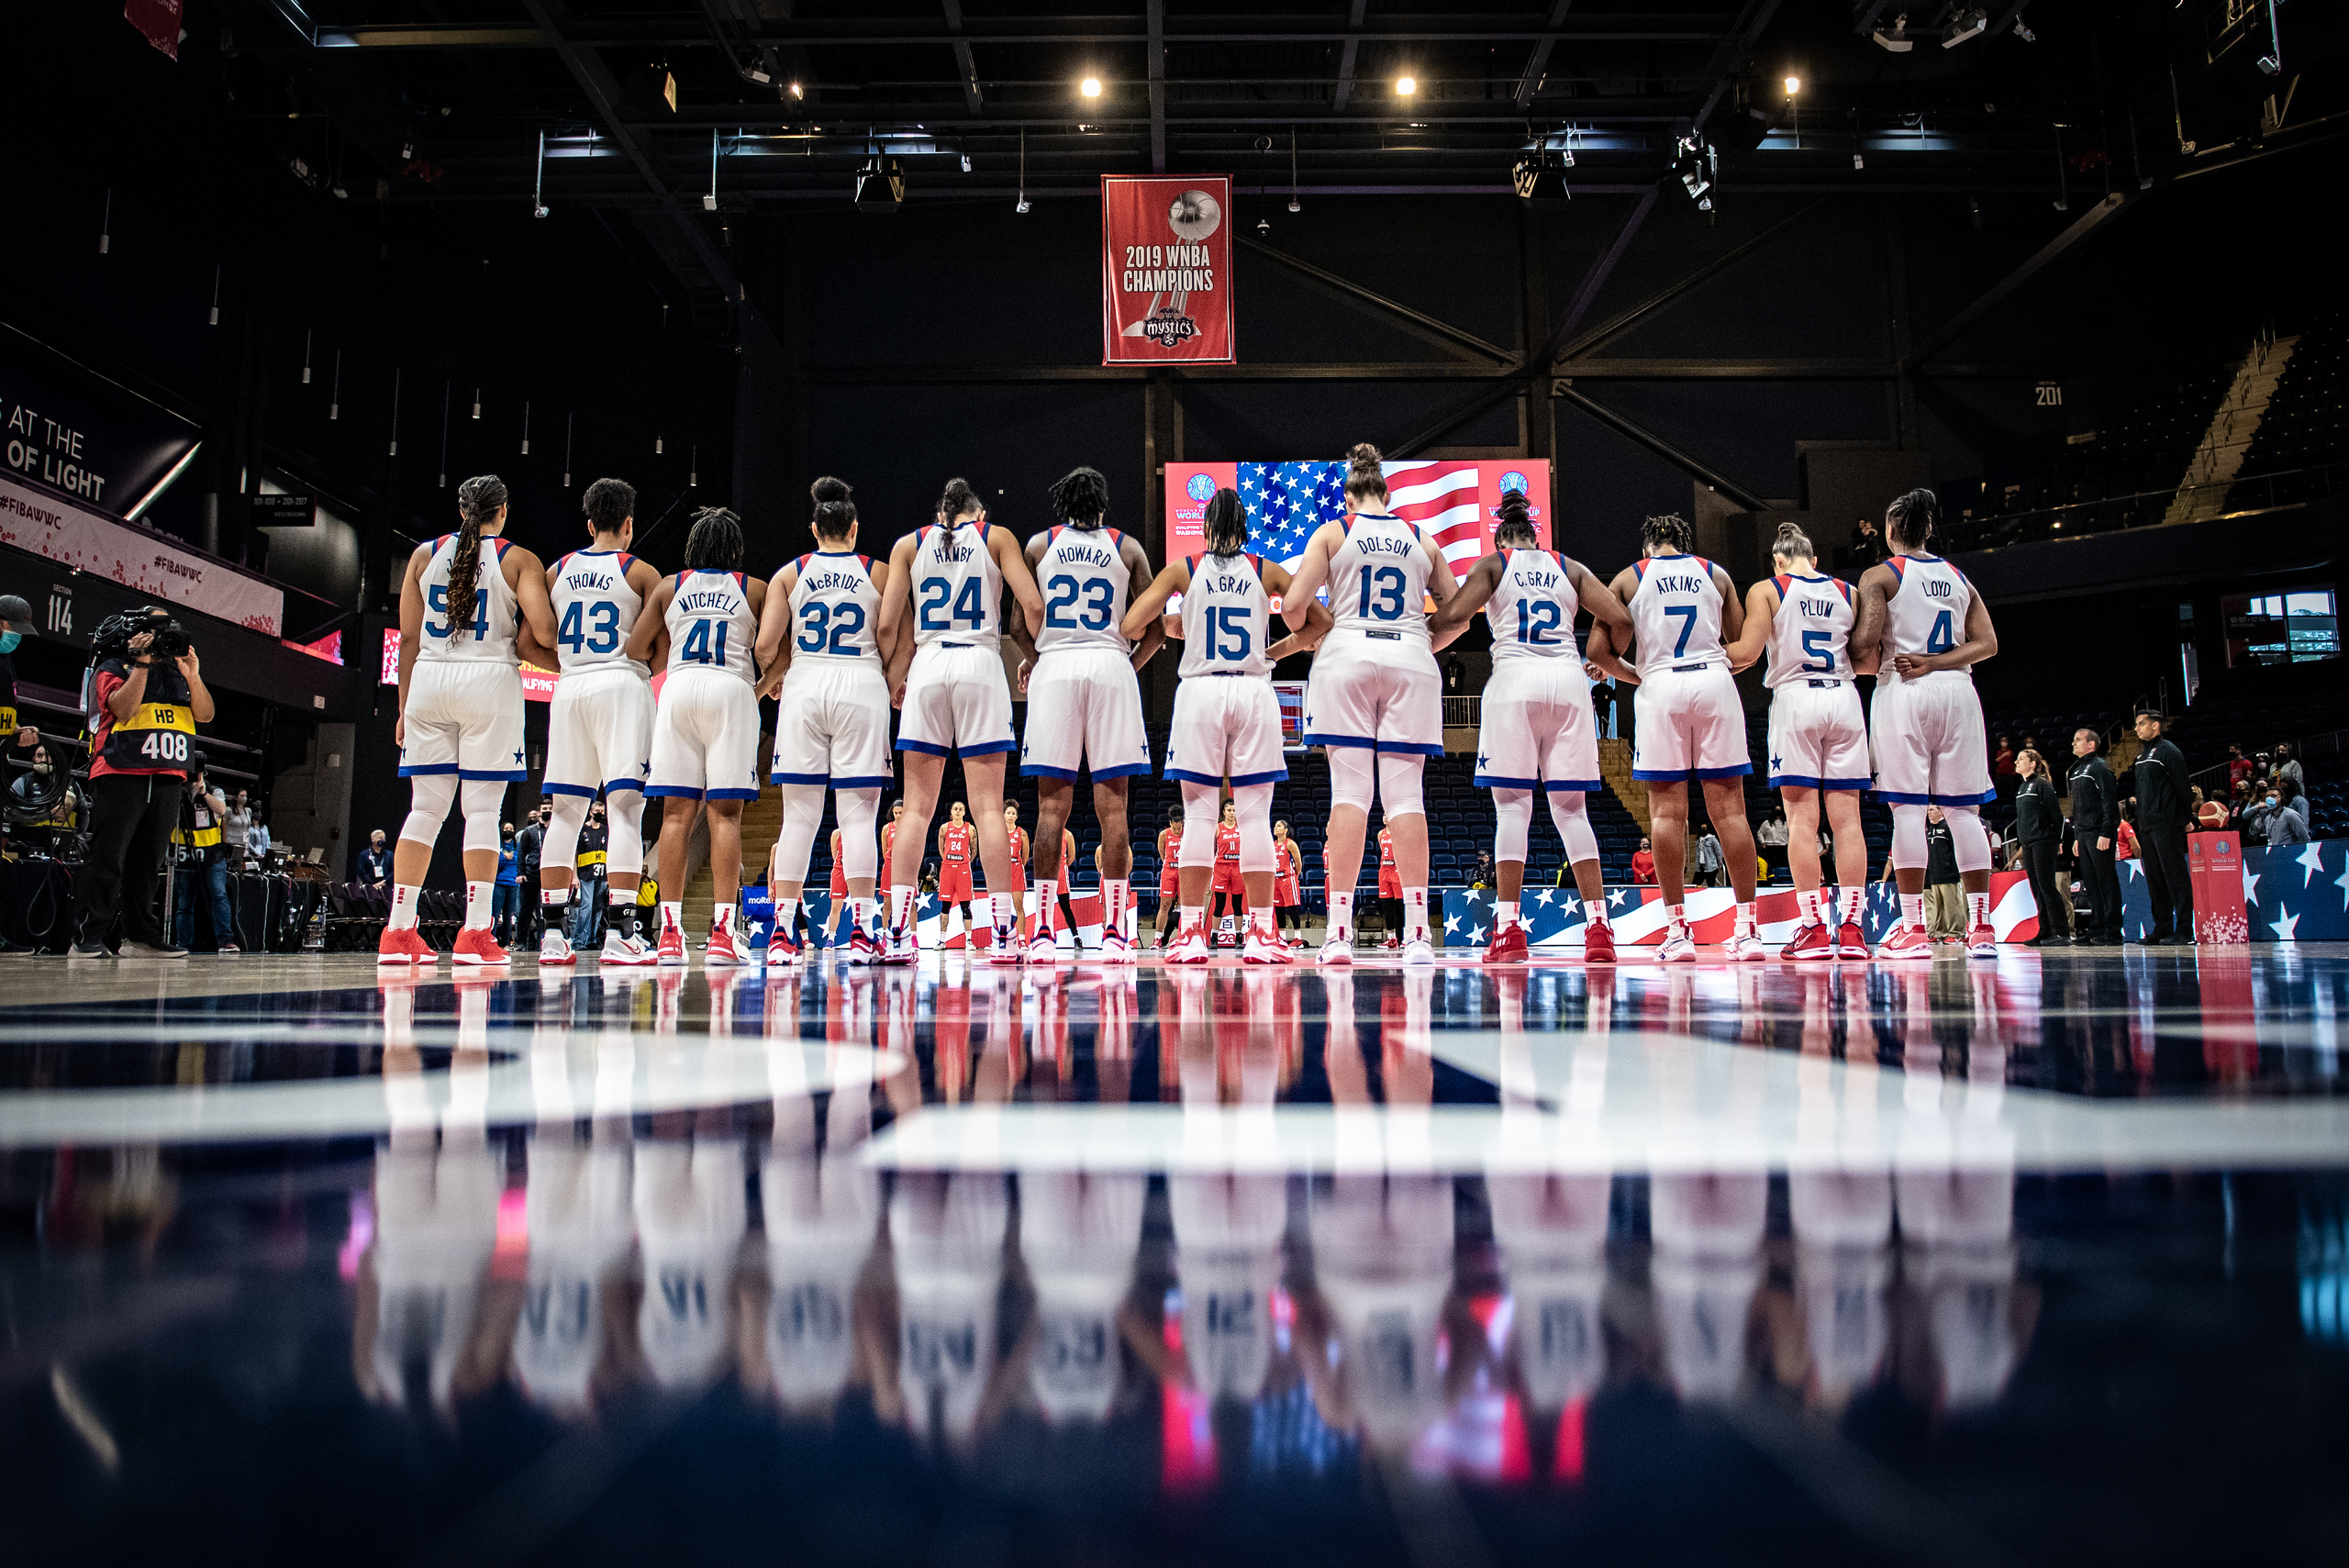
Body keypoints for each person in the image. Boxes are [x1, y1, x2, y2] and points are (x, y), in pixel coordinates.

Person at [1426, 487, 1633, 964]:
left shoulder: (1495, 565)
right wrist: (1602, 659)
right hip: (1567, 681)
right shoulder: (1570, 567)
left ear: (1502, 537)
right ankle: (1599, 929)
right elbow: (1620, 619)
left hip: (1515, 681)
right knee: (1572, 812)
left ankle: (1507, 931)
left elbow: (1455, 617)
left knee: (1514, 811)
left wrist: (1417, 644)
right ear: (1536, 539)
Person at [1123, 484, 1325, 965]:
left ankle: (1191, 933)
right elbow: (1317, 623)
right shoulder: (1265, 569)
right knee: (1255, 816)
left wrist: (1181, 624)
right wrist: (1272, 652)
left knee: (1198, 816)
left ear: (1208, 527)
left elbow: (1133, 624)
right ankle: (1261, 934)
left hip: (1200, 691)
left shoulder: (1184, 570)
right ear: (1245, 529)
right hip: (1254, 690)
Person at [1282, 442, 1461, 964]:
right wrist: (1419, 641)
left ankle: (1337, 933)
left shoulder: (1334, 532)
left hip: (1347, 657)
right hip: (1410, 658)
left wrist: (1317, 633)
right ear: (1387, 492)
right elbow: (1459, 615)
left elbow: (1294, 608)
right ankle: (1419, 937)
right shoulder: (1420, 538)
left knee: (1350, 796)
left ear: (1348, 495)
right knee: (1406, 799)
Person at [379, 475, 557, 967]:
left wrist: (403, 709)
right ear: (502, 511)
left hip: (430, 682)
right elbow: (542, 631)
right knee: (480, 813)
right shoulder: (518, 559)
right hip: (489, 682)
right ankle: (476, 932)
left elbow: (408, 641)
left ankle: (397, 931)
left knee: (424, 811)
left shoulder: (422, 555)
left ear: (462, 511)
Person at [878, 476, 1046, 964]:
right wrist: (1037, 656)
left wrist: (893, 676)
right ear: (978, 514)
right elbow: (1032, 605)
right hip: (979, 663)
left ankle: (896, 935)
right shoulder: (995, 537)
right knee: (989, 808)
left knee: (915, 810)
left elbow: (889, 625)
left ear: (939, 516)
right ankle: (1003, 933)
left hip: (928, 665)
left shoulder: (908, 545)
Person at [1586, 513, 1762, 962]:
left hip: (1660, 684)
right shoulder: (1714, 573)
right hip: (1713, 682)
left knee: (1666, 813)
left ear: (1648, 547)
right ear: (1686, 543)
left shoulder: (1630, 576)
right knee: (1730, 810)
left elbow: (1597, 652)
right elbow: (1739, 643)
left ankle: (1678, 934)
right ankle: (1748, 930)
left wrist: (1635, 675)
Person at [1017, 467, 1163, 964]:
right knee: (1114, 809)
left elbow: (1018, 623)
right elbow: (1157, 629)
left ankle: (1039, 929)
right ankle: (1119, 931)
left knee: (1051, 808)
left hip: (1056, 666)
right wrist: (1128, 664)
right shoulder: (1127, 548)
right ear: (1103, 503)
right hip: (1109, 666)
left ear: (1065, 503)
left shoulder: (1039, 545)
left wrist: (1036, 660)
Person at [1848, 488, 2000, 961]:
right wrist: (1938, 663)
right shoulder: (1959, 577)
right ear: (1930, 530)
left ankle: (1913, 929)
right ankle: (1982, 928)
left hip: (1904, 688)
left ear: (1891, 531)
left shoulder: (1881, 574)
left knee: (1909, 810)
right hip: (1957, 690)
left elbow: (1866, 643)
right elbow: (1988, 644)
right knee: (1963, 813)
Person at [753, 476, 897, 966]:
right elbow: (891, 633)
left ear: (814, 528)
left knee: (798, 818)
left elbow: (765, 646)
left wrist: (775, 677)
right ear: (853, 529)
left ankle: (780, 933)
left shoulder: (790, 575)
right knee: (858, 816)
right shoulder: (876, 572)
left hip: (806, 684)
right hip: (860, 683)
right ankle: (862, 929)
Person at [1721, 522, 1875, 961]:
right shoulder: (1850, 592)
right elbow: (1867, 659)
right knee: (1848, 822)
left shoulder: (1768, 589)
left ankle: (1810, 928)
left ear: (1778, 561)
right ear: (1815, 558)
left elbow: (1748, 652)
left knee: (1802, 821)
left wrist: (1698, 660)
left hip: (1796, 698)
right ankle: (1852, 928)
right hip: (1845, 698)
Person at [628, 506, 767, 968]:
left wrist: (671, 666)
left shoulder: (671, 586)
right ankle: (724, 935)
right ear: (733, 549)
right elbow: (776, 652)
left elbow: (635, 646)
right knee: (725, 817)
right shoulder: (754, 588)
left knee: (674, 816)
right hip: (731, 688)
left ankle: (669, 934)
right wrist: (758, 688)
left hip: (681, 688)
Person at [539, 476, 662, 965]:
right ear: (629, 525)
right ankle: (622, 934)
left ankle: (552, 937)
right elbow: (662, 651)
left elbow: (533, 641)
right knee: (626, 810)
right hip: (621, 686)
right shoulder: (642, 573)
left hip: (570, 688)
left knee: (565, 813)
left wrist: (571, 667)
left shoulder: (557, 570)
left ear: (589, 523)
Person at [2121, 709, 2193, 945]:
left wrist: (2187, 818)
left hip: (2167, 822)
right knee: (2155, 879)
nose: (2137, 728)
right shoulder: (2142, 757)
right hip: (2147, 825)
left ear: (2155, 726)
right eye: (2137, 724)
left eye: (2142, 723)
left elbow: (2182, 786)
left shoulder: (2169, 751)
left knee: (2175, 877)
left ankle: (2184, 930)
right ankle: (2161, 928)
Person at [171, 760, 236, 953]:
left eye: (196, 776)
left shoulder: (214, 791)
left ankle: (225, 939)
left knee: (219, 895)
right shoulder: (177, 792)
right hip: (186, 856)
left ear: (202, 775)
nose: (193, 780)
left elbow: (222, 810)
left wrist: (203, 793)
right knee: (184, 903)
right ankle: (184, 943)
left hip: (212, 855)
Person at [2068, 728, 2121, 946]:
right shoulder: (2077, 770)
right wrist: (2077, 836)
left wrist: (2106, 832)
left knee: (2106, 882)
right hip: (2084, 833)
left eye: (2078, 740)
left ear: (2091, 744)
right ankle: (2097, 927)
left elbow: (2109, 802)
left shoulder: (2099, 767)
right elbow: (2079, 809)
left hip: (2100, 832)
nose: (2073, 743)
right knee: (2091, 883)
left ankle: (2113, 931)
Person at [2013, 749, 2070, 946]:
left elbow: (2056, 815)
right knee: (2036, 888)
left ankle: (2062, 932)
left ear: (2033, 764)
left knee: (2047, 886)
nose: (2016, 762)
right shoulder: (2021, 789)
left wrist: (2060, 841)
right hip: (2028, 843)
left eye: (2021, 759)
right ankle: (2044, 931)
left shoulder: (2042, 785)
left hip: (2044, 841)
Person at [934, 802, 978, 936]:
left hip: (963, 869)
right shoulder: (944, 827)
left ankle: (969, 940)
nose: (958, 811)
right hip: (947, 869)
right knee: (945, 906)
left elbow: (974, 850)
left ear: (964, 812)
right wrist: (949, 860)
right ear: (951, 812)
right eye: (955, 809)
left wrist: (964, 862)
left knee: (965, 906)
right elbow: (941, 848)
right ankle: (942, 939)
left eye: (961, 809)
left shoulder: (970, 828)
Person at [1209, 799, 1248, 951]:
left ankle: (1239, 937)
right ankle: (1214, 937)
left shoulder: (1242, 828)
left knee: (1237, 904)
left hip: (1238, 868)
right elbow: (1211, 849)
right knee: (1219, 904)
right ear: (1224, 812)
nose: (1232, 813)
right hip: (1221, 868)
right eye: (1229, 810)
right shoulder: (1218, 828)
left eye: (1234, 810)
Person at [1923, 806, 1965, 942]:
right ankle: (1939, 932)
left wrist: (1954, 870)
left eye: (1932, 810)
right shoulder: (1929, 830)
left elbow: (1955, 850)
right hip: (1934, 875)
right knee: (1938, 907)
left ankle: (1955, 932)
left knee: (1951, 906)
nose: (1929, 812)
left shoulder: (1947, 827)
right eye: (1928, 810)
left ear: (1941, 812)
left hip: (1948, 874)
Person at [513, 807, 544, 945]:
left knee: (543, 913)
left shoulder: (554, 831)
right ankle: (520, 942)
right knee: (525, 911)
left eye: (550, 808)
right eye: (544, 809)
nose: (547, 811)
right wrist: (520, 873)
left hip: (547, 876)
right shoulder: (529, 832)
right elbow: (521, 853)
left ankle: (542, 942)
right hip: (530, 875)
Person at [1273, 819, 1307, 946]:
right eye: (1275, 826)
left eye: (1279, 826)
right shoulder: (1273, 844)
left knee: (1292, 909)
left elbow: (1298, 863)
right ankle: (1281, 939)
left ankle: (1298, 939)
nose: (1275, 828)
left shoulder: (1290, 843)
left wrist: (1293, 876)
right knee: (1279, 910)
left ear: (1285, 830)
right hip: (1276, 880)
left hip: (1288, 878)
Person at [1154, 806, 1184, 945]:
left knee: (1185, 905)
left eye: (1179, 829)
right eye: (1175, 828)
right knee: (1165, 904)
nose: (1177, 831)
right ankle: (1157, 939)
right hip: (1169, 870)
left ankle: (1183, 937)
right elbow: (1162, 854)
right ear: (1170, 823)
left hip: (1184, 872)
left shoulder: (1188, 833)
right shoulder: (1164, 834)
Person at [2260, 778, 2310, 847]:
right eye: (2268, 796)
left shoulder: (2290, 815)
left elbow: (2304, 838)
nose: (2270, 798)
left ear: (2281, 798)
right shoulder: (2268, 818)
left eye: (2274, 796)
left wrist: (2292, 852)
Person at [1375, 825, 1402, 950]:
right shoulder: (1381, 833)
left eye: (1387, 814)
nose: (1385, 817)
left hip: (1396, 870)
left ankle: (1403, 938)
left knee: (1400, 906)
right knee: (1387, 906)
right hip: (1384, 870)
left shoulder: (1398, 832)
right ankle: (1391, 939)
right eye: (1384, 815)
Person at [494, 824, 521, 944]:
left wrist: (507, 856)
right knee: (495, 914)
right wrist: (504, 857)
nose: (508, 831)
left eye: (511, 829)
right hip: (499, 883)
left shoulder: (517, 847)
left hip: (513, 884)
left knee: (508, 916)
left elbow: (518, 861)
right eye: (506, 829)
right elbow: (496, 864)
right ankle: (492, 940)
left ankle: (505, 943)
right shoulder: (498, 846)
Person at [222, 789, 253, 867]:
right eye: (242, 796)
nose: (244, 798)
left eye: (245, 796)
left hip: (242, 843)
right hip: (230, 842)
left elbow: (247, 828)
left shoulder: (248, 811)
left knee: (238, 866)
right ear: (236, 797)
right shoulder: (229, 810)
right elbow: (223, 825)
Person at [1991, 736, 2017, 801]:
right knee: (2000, 791)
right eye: (2002, 741)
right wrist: (2003, 755)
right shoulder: (1997, 752)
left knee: (2010, 791)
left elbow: (2015, 761)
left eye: (2005, 741)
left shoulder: (2011, 751)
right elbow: (1995, 761)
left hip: (2009, 774)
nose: (2004, 743)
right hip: (2000, 774)